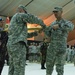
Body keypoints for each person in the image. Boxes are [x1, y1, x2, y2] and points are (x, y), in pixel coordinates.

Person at [7, 5, 46, 75]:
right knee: (19, 69)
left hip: (12, 44)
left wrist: (36, 33)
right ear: (22, 10)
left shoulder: (15, 21)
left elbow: (24, 35)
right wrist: (42, 23)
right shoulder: (19, 15)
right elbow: (30, 17)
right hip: (18, 45)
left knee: (12, 68)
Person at [43, 7, 74, 75]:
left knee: (59, 67)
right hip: (52, 48)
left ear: (61, 12)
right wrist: (45, 30)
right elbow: (48, 34)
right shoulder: (52, 24)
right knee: (49, 66)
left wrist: (59, 25)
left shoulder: (66, 22)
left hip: (61, 48)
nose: (55, 13)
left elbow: (71, 27)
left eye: (57, 12)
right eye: (54, 12)